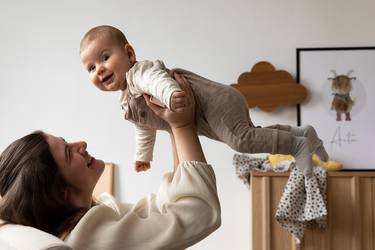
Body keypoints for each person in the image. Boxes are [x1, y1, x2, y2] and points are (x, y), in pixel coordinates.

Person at [0, 75, 221, 249]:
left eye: (67, 142)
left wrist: (174, 126)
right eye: (68, 153)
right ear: (60, 192)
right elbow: (197, 212)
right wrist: (183, 127)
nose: (81, 144)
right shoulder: (89, 238)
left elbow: (163, 209)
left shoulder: (92, 216)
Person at [79, 25, 328, 177]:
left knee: (240, 140)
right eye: (91, 68)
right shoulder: (128, 101)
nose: (99, 69)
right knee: (248, 135)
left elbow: (158, 81)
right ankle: (301, 133)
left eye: (105, 57)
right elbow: (145, 128)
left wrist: (171, 95)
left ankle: (297, 147)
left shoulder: (140, 74)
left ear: (129, 53)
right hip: (202, 118)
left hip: (214, 102)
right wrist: (144, 155)